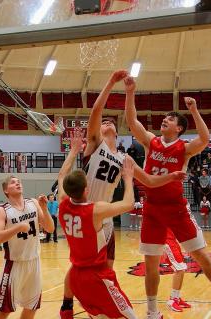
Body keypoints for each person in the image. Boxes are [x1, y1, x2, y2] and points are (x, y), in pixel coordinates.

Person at [124, 75, 211, 319]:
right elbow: (132, 121)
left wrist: (194, 110)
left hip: (176, 208)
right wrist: (130, 92)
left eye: (170, 119)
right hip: (152, 208)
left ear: (178, 128)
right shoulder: (151, 142)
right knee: (151, 263)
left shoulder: (184, 149)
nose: (164, 120)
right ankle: (152, 311)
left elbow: (205, 139)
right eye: (164, 118)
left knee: (201, 255)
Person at [59, 70, 128, 319]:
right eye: (104, 122)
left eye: (111, 123)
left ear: (117, 135)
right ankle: (67, 304)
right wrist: (111, 82)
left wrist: (169, 178)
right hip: (85, 210)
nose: (105, 122)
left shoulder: (123, 159)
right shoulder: (95, 144)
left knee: (106, 269)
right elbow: (96, 112)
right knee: (79, 265)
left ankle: (94, 308)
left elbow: (148, 179)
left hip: (105, 217)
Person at [56, 129, 137, 318]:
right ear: (87, 188)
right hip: (96, 276)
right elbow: (128, 204)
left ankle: (67, 306)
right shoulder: (95, 211)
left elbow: (61, 175)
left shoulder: (62, 204)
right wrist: (128, 179)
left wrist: (73, 151)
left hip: (76, 276)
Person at [0, 176, 54, 318]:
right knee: (4, 310)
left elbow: (50, 228)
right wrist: (17, 227)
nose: (17, 183)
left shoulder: (33, 203)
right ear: (6, 190)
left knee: (31, 307)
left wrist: (44, 208)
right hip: (14, 264)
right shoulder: (3, 210)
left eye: (18, 181)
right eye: (13, 182)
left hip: (34, 262)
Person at [163, 229, 191, 313]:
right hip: (166, 241)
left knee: (182, 268)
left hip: (173, 240)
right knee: (179, 269)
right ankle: (172, 300)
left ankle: (177, 297)